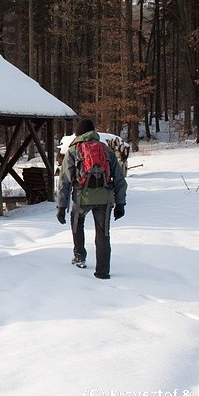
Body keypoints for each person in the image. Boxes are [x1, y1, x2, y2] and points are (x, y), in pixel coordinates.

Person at [55, 118, 127, 279]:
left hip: (82, 198)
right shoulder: (106, 149)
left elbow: (64, 181)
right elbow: (119, 178)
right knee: (103, 234)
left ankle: (79, 256)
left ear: (78, 133)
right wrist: (120, 203)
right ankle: (103, 272)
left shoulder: (73, 150)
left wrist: (61, 206)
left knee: (77, 223)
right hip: (105, 198)